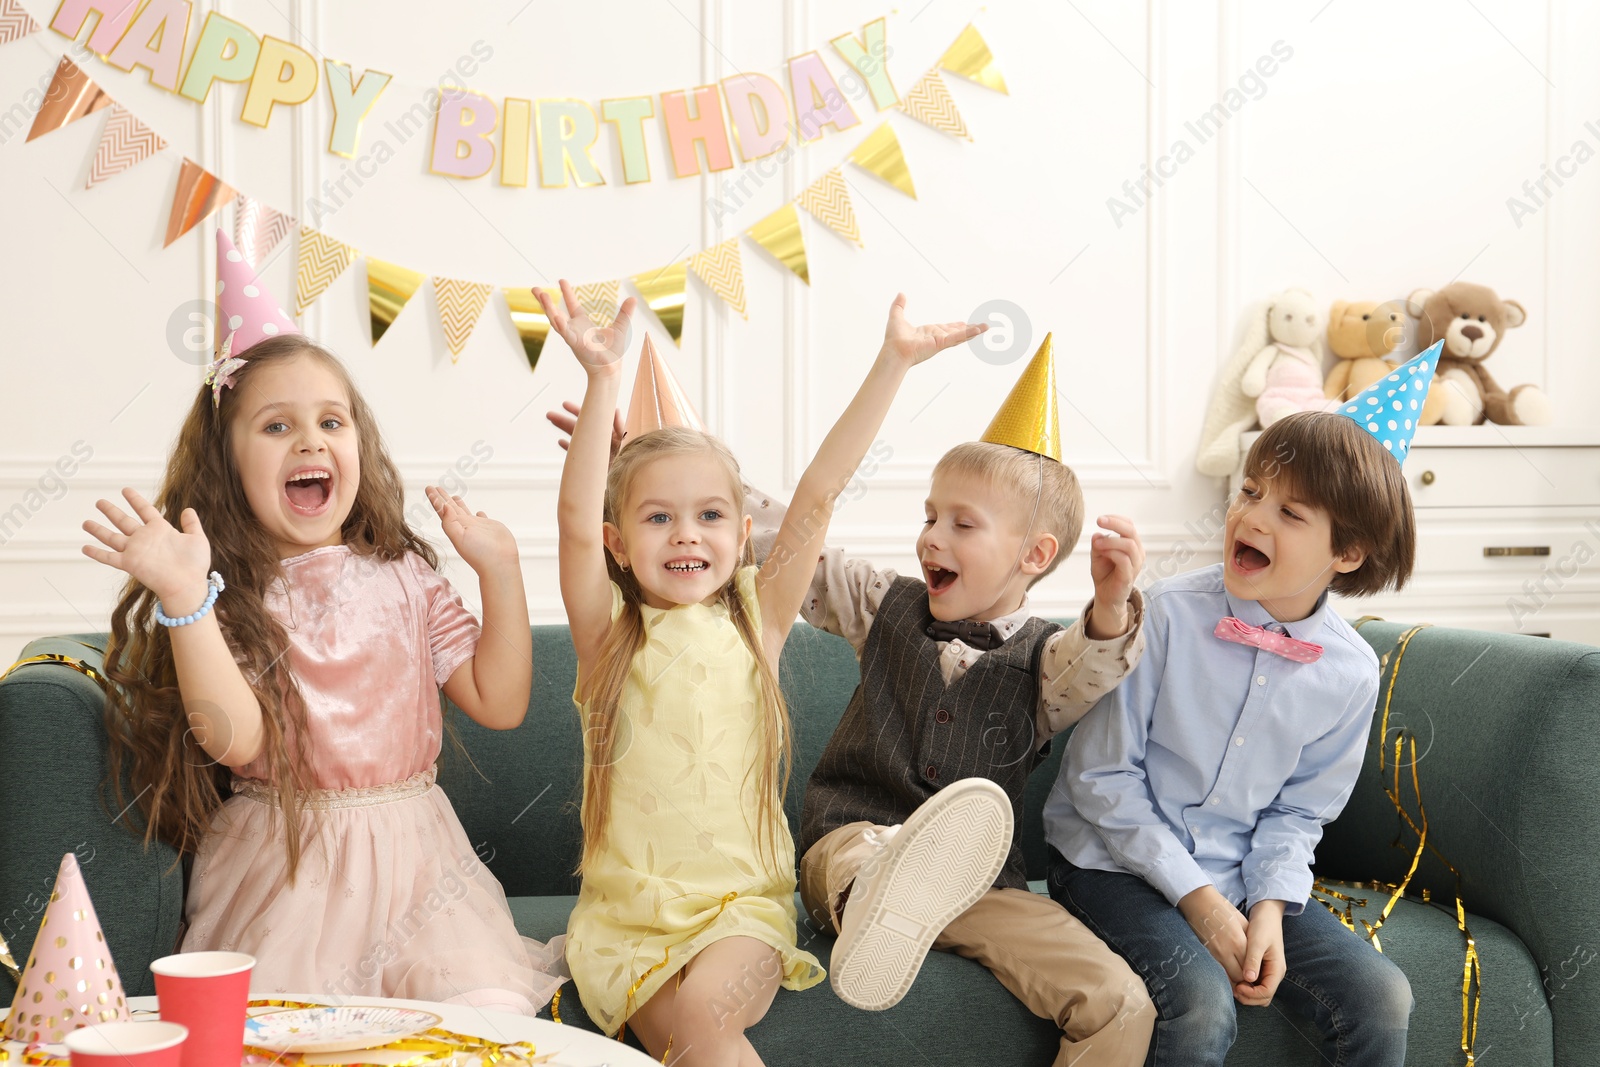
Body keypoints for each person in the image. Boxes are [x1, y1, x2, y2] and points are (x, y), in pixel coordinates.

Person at [86, 232, 562, 1013]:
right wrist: (183, 596)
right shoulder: (228, 595)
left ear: (358, 446)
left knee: (482, 1013)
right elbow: (235, 739)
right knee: (297, 1030)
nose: (310, 438)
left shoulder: (405, 576)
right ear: (227, 464)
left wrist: (501, 572)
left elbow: (501, 701)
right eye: (276, 426)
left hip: (420, 865)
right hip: (289, 868)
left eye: (331, 422)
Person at [546, 278, 983, 1064]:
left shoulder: (759, 617)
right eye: (658, 517)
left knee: (710, 1022)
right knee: (685, 1045)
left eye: (710, 515)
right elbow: (574, 527)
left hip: (738, 908)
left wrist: (892, 363)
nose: (688, 534)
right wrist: (601, 377)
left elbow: (819, 492)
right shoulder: (609, 637)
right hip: (624, 923)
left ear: (742, 531)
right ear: (620, 543)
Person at [1044, 347, 1440, 1065]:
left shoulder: (1349, 671)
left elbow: (1297, 812)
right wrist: (1202, 904)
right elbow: (1100, 779)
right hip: (1107, 865)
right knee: (1199, 1005)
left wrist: (1265, 911)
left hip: (1239, 875)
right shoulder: (1161, 614)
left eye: (1288, 510)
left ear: (1345, 553)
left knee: (1382, 997)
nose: (1252, 515)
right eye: (1250, 491)